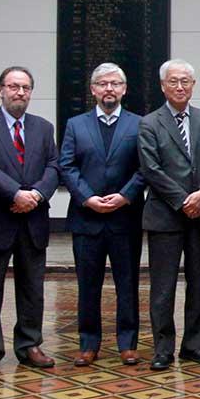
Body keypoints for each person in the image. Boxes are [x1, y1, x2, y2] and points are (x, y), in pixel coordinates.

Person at [0, 66, 60, 374]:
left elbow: (53, 166)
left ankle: (29, 343)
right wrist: (14, 194)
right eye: (13, 86)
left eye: (25, 87)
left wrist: (36, 195)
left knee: (33, 287)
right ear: (0, 90)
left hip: (33, 220)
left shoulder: (43, 128)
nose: (19, 92)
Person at [59, 63, 145, 367]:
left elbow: (144, 167)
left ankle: (127, 343)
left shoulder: (139, 124)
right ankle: (88, 343)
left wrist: (125, 196)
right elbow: (66, 166)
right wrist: (88, 198)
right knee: (87, 284)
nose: (109, 89)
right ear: (93, 89)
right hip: (87, 219)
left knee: (128, 283)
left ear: (124, 89)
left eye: (115, 84)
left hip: (126, 218)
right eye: (103, 84)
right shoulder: (75, 125)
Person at [137, 59, 200, 370]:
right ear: (162, 85)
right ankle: (162, 348)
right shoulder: (149, 123)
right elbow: (151, 169)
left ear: (193, 85)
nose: (180, 86)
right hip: (165, 215)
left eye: (186, 81)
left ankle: (193, 344)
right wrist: (183, 199)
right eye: (174, 81)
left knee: (198, 282)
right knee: (163, 285)